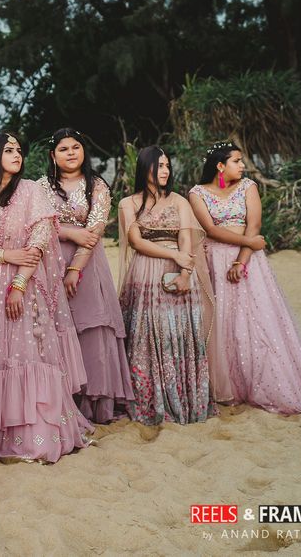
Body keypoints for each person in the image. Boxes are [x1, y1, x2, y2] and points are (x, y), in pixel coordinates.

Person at [0, 133, 92, 462]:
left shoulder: (31, 192)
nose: (17, 155)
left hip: (22, 285)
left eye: (20, 150)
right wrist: (4, 256)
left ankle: (31, 434)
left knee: (22, 354)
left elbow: (38, 242)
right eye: (9, 150)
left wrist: (19, 284)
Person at [189, 141, 301, 414]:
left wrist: (243, 259)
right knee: (222, 321)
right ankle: (227, 385)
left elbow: (255, 225)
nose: (243, 165)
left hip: (247, 260)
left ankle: (266, 381)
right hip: (214, 259)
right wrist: (252, 242)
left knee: (257, 320)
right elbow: (210, 229)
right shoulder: (197, 193)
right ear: (220, 166)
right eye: (237, 160)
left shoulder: (248, 187)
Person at [39, 128, 133, 424]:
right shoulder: (41, 187)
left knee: (92, 327)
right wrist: (68, 231)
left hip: (87, 266)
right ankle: (65, 399)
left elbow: (93, 233)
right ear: (53, 156)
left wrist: (75, 270)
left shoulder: (97, 185)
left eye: (76, 147)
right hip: (50, 261)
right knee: (56, 327)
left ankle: (95, 403)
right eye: (63, 149)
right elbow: (39, 225)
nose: (70, 153)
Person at [118, 146, 214, 426]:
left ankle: (184, 399)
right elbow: (137, 241)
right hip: (146, 272)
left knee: (181, 334)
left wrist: (185, 273)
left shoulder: (180, 201)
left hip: (181, 271)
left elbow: (186, 238)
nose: (164, 171)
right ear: (144, 168)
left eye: (167, 166)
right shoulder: (128, 203)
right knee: (148, 333)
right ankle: (151, 399)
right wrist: (174, 255)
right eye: (159, 165)